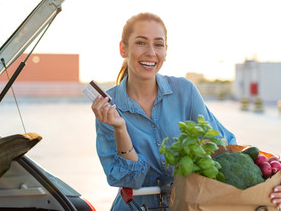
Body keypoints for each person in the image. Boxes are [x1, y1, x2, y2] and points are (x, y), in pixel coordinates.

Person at [91, 12, 281, 210]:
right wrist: (120, 128)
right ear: (123, 49)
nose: (151, 52)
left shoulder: (185, 91)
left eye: (158, 44)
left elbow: (225, 147)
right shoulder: (108, 107)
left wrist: (271, 178)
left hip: (188, 205)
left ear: (165, 51)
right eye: (140, 42)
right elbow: (128, 179)